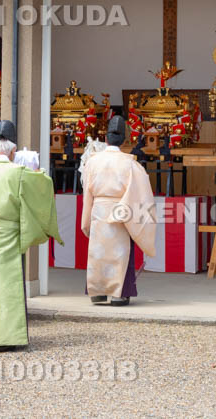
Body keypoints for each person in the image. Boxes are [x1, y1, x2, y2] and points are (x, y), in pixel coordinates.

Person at [0, 120, 61, 352]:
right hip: (10, 232)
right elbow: (43, 186)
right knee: (9, 285)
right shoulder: (19, 173)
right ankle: (9, 337)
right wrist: (38, 171)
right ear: (12, 151)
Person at [80, 116, 156, 306]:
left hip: (98, 209)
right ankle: (118, 294)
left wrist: (86, 220)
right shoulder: (130, 164)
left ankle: (97, 292)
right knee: (121, 254)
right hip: (122, 211)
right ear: (124, 140)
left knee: (98, 252)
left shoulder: (93, 162)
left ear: (105, 139)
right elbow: (140, 194)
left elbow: (87, 193)